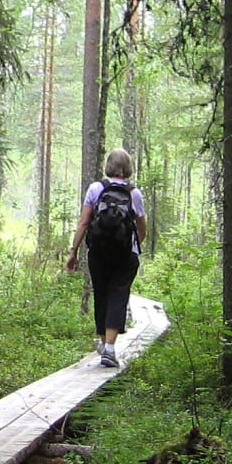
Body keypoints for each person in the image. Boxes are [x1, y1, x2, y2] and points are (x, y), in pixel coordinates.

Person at [65, 147, 147, 367]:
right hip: (125, 254)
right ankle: (109, 348)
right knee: (119, 295)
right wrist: (132, 246)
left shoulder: (96, 188)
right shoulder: (134, 193)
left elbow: (84, 222)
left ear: (108, 166)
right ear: (128, 168)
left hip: (98, 253)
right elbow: (142, 228)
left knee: (101, 294)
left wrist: (73, 251)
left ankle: (104, 343)